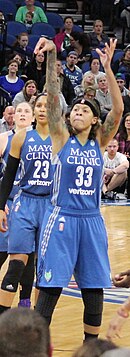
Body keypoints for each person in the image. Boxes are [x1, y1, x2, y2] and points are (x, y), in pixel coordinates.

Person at [34, 37, 123, 342]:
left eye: (85, 109)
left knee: (93, 287)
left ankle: (90, 348)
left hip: (92, 221)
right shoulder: (61, 138)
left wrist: (109, 69)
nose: (78, 111)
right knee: (50, 286)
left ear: (96, 119)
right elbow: (55, 95)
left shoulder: (100, 143)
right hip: (62, 219)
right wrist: (51, 58)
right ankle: (36, 346)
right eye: (75, 109)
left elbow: (119, 109)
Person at [0, 93, 53, 314]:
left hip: (51, 206)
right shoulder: (22, 137)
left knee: (44, 271)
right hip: (25, 202)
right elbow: (9, 174)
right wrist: (0, 206)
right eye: (38, 105)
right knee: (15, 266)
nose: (42, 109)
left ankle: (39, 323)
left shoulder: (63, 138)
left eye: (46, 106)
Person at [0, 102, 35, 308]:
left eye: (26, 111)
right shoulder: (4, 139)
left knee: (28, 255)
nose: (22, 114)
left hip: (30, 205)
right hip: (9, 203)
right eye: (18, 110)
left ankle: (25, 301)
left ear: (33, 116)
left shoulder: (41, 140)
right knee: (4, 252)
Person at [116, 112, 130, 198]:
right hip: (120, 161)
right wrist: (122, 156)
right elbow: (114, 150)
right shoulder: (119, 136)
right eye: (127, 120)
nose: (128, 122)